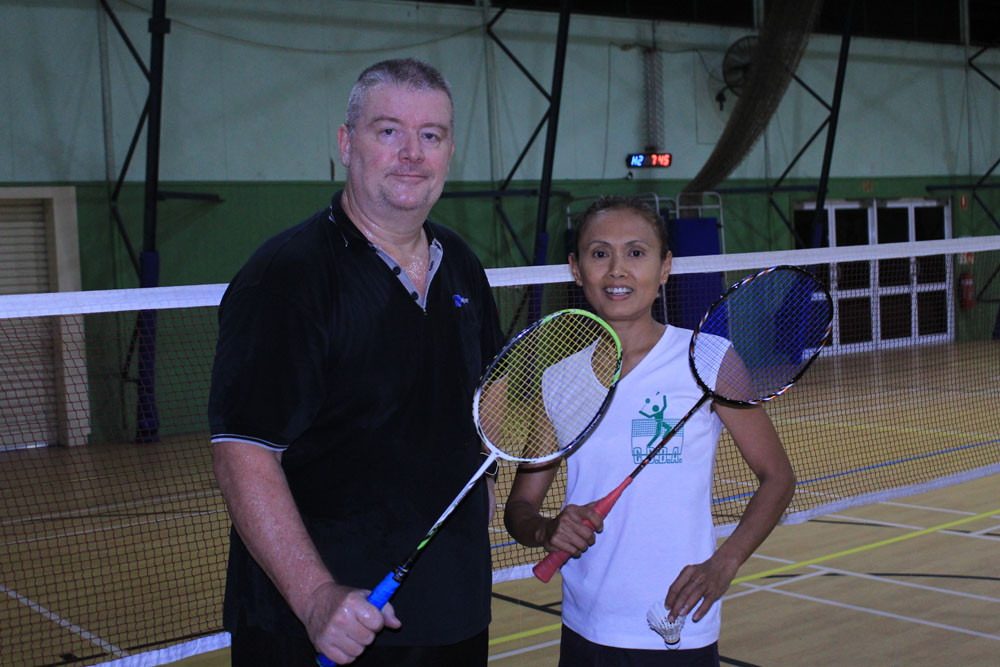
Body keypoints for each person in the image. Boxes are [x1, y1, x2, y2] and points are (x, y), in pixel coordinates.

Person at [208, 58, 504, 666]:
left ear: (450, 151)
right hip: (318, 626)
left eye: (432, 135)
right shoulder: (286, 279)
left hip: (455, 614)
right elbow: (244, 451)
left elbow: (486, 405)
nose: (412, 153)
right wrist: (316, 597)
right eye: (388, 130)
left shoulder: (465, 268)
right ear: (347, 143)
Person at [504, 195, 796, 666]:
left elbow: (777, 476)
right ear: (576, 270)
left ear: (665, 268)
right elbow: (520, 509)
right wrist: (548, 529)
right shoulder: (558, 380)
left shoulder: (709, 359)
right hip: (587, 628)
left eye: (636, 253)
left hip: (675, 626)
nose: (617, 270)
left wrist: (726, 562)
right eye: (600, 254)